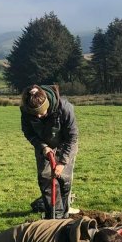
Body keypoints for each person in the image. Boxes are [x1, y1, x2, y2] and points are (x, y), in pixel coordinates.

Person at [20, 84, 79, 219]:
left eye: (42, 112)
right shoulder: (25, 110)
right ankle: (53, 215)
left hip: (65, 144)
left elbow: (72, 136)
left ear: (47, 103)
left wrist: (62, 162)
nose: (39, 116)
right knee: (45, 178)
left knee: (64, 179)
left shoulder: (64, 108)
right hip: (44, 146)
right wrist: (42, 147)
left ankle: (63, 215)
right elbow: (28, 132)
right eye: (36, 114)